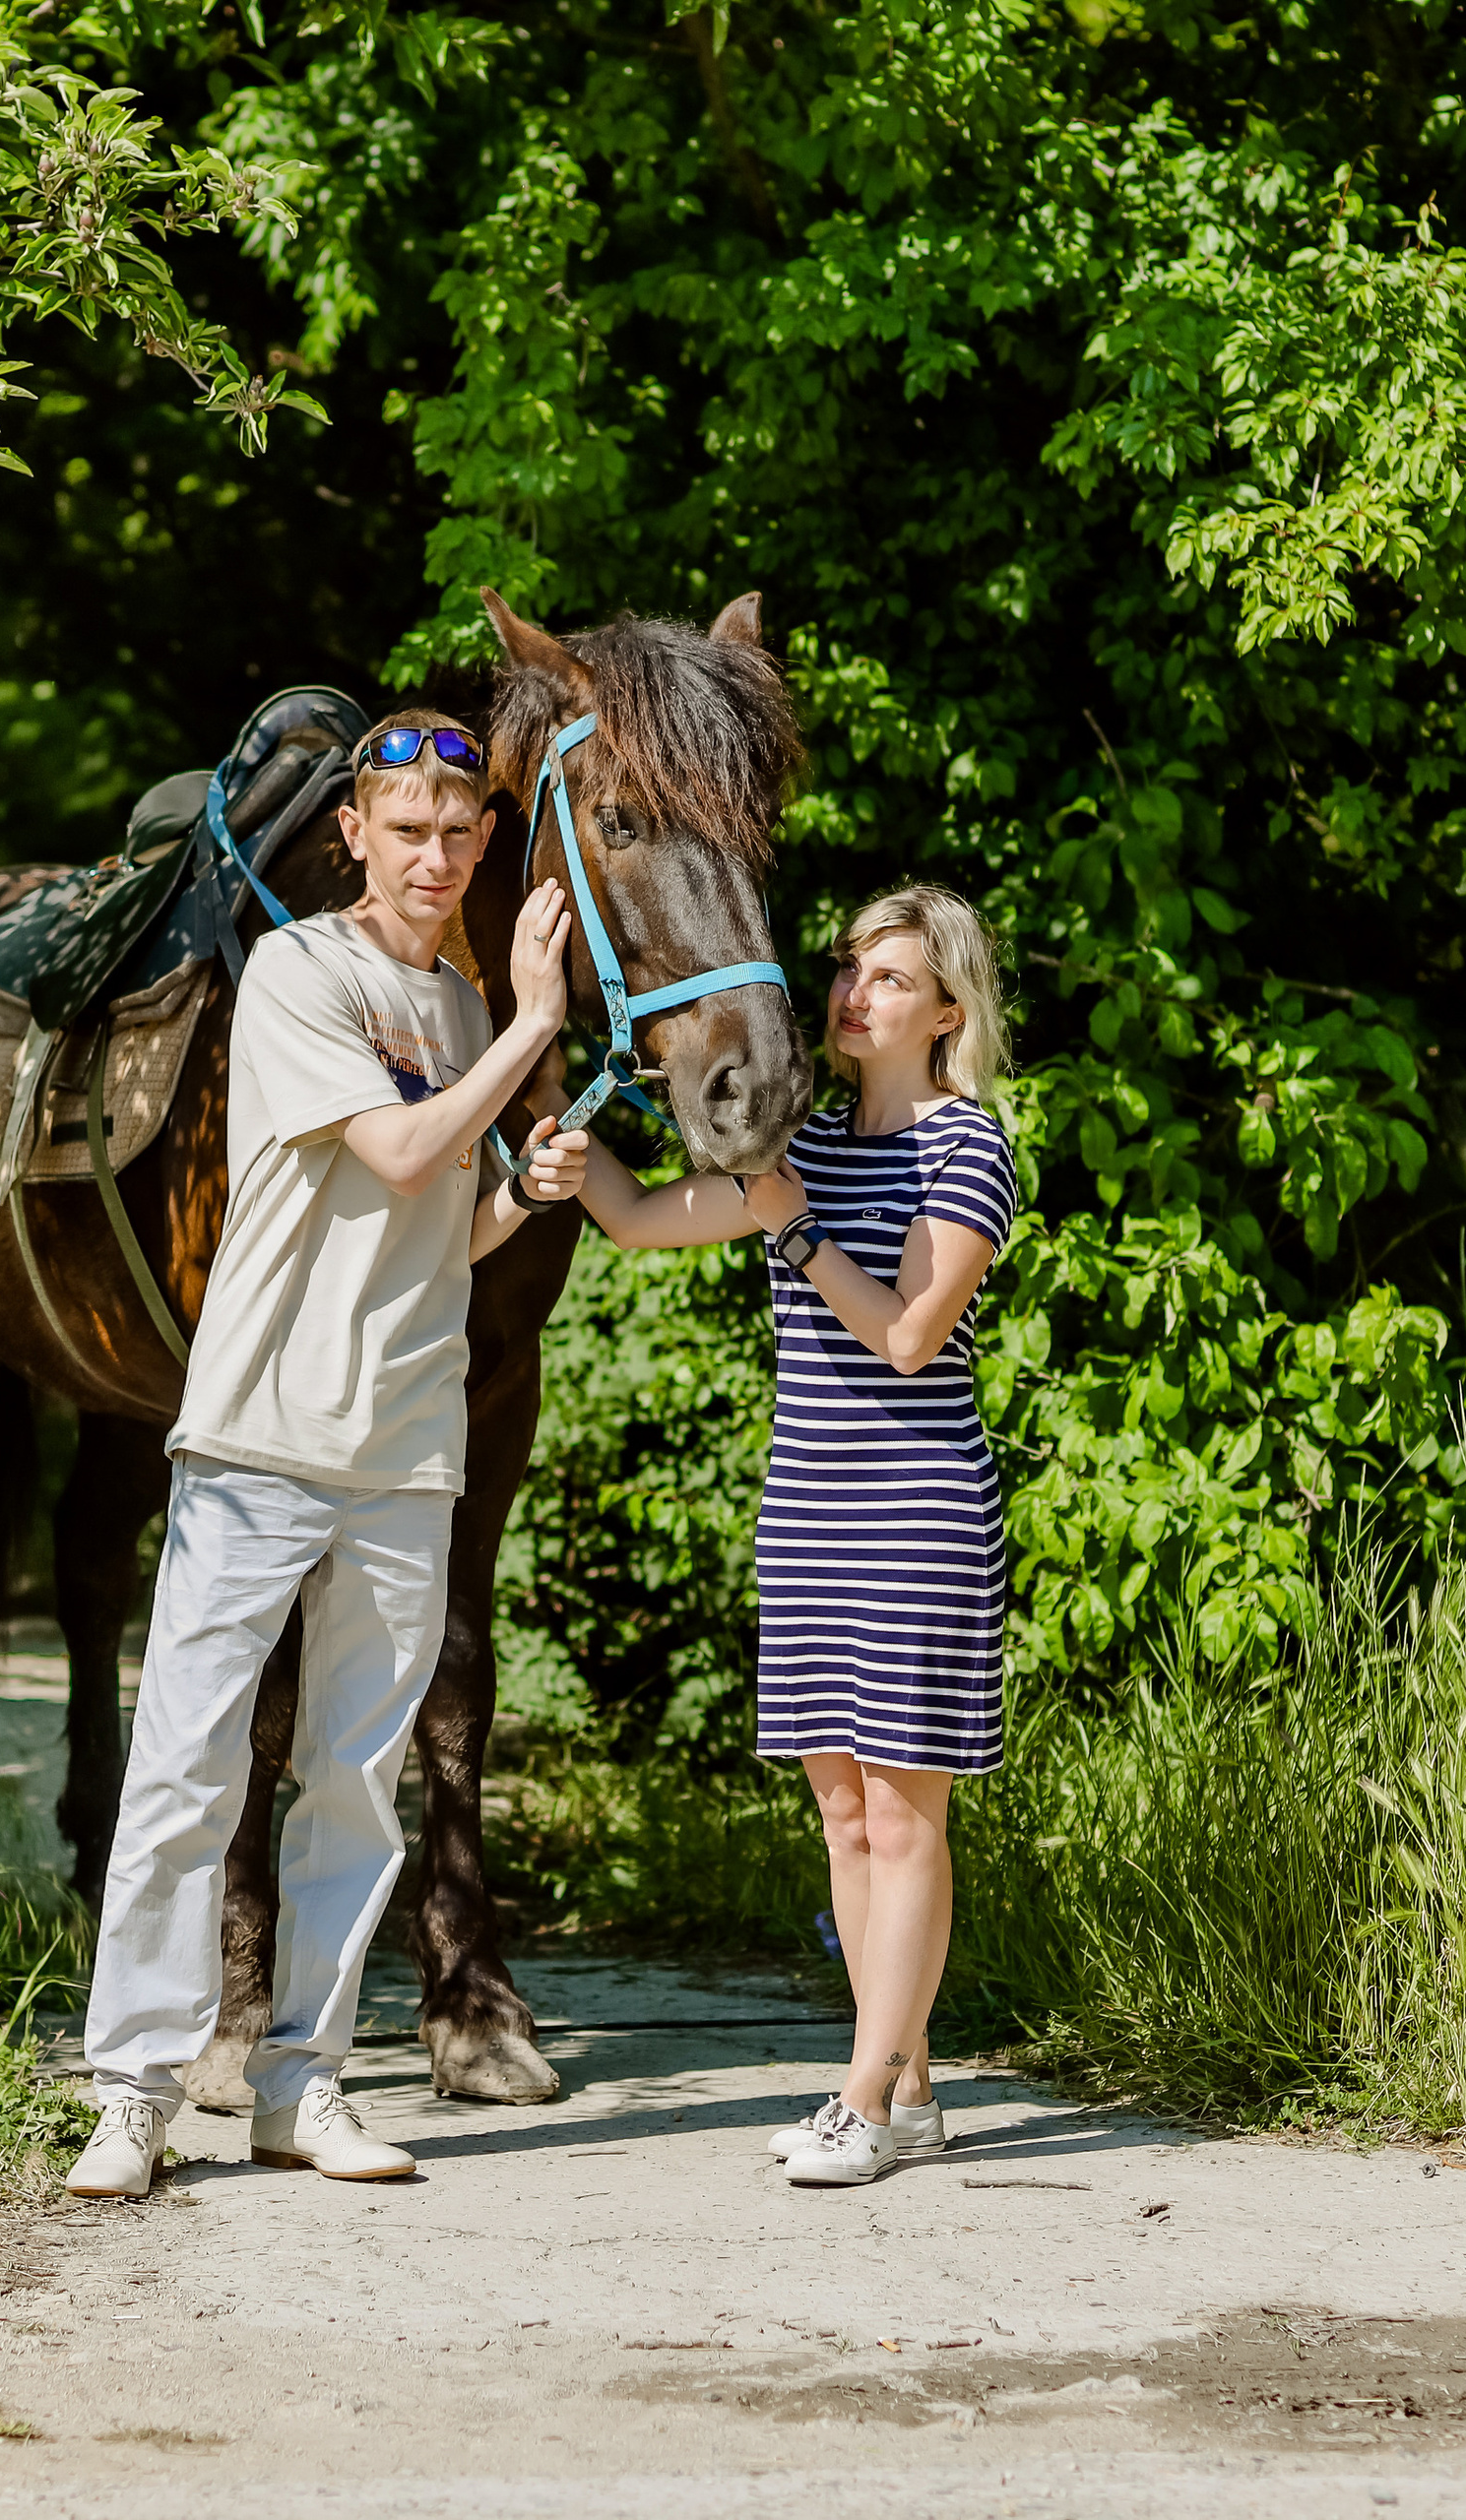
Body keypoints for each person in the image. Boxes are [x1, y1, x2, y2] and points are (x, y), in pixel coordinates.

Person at [67, 709, 590, 2198]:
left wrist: (530, 1193)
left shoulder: (468, 1015)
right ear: (355, 833)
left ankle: (304, 2086)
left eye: (458, 831)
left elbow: (446, 1224)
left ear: (487, 842)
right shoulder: (303, 971)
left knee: (355, 1786)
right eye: (405, 828)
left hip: (406, 1452)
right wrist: (539, 1030)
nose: (434, 854)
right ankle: (134, 2093)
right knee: (188, 1769)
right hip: (261, 1436)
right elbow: (403, 1153)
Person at [562, 882, 1017, 2187]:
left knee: (905, 1813)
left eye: (886, 978)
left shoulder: (964, 1148)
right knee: (842, 1814)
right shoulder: (800, 1143)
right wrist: (559, 1137)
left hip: (919, 1510)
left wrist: (796, 1229)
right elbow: (645, 1216)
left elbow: (911, 1337)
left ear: (945, 1010)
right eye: (846, 970)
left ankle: (864, 2100)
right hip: (808, 1512)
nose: (851, 993)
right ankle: (911, 2086)